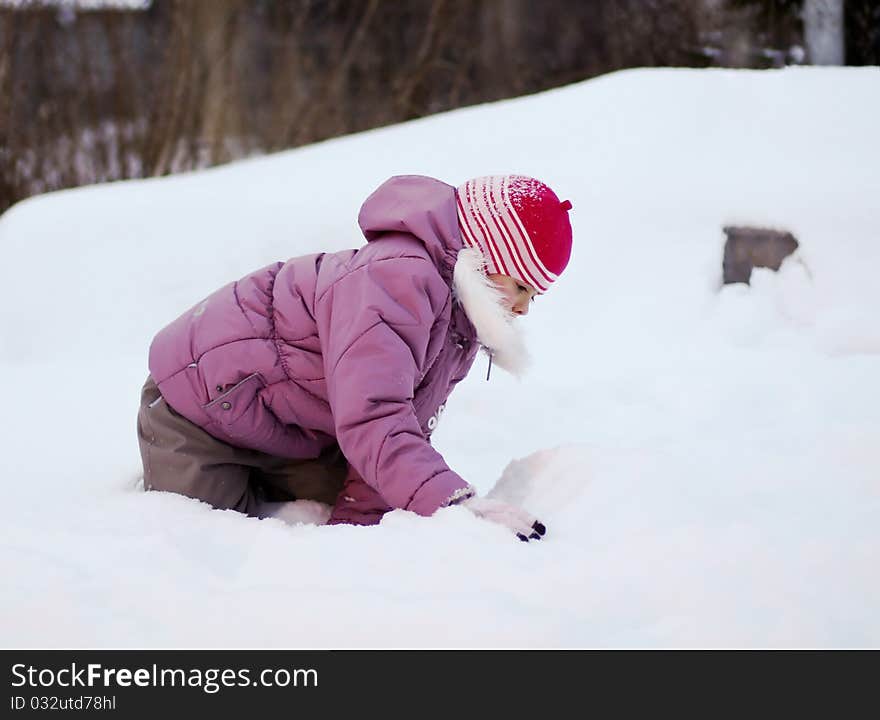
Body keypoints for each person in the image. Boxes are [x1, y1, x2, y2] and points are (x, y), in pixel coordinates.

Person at [137, 174, 572, 541]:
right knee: (213, 539)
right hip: (197, 413)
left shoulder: (461, 322)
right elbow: (374, 418)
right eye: (521, 286)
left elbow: (400, 425)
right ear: (486, 255)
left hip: (290, 431)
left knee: (383, 502)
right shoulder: (396, 279)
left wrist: (357, 541)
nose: (522, 309)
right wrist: (453, 503)